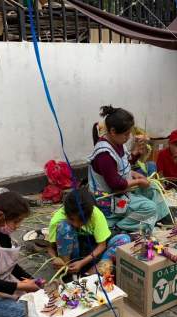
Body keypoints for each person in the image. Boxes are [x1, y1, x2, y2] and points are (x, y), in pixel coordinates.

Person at [88, 105, 170, 233]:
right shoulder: (104, 153)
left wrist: (135, 159)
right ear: (113, 131)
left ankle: (154, 220)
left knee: (153, 189)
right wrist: (137, 182)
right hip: (109, 200)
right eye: (126, 134)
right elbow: (116, 184)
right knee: (150, 208)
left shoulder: (117, 142)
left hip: (122, 192)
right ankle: (118, 227)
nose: (128, 137)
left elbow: (122, 166)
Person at [47, 188, 131, 276]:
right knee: (65, 227)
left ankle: (89, 275)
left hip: (93, 254)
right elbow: (50, 247)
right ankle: (67, 270)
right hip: (73, 254)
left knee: (124, 239)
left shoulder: (96, 214)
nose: (76, 224)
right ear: (65, 213)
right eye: (72, 219)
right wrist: (54, 258)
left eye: (81, 221)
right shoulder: (57, 219)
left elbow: (102, 245)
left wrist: (82, 262)